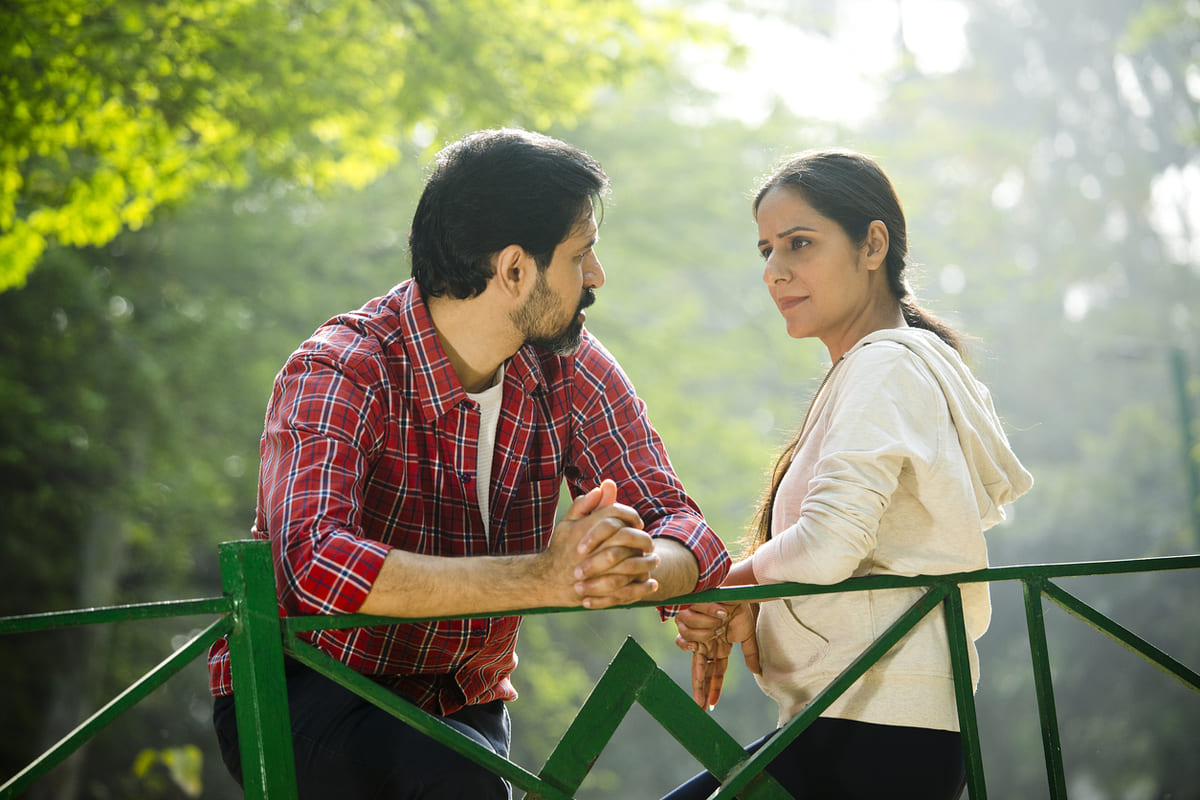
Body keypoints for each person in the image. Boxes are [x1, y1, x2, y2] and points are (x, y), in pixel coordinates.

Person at [207, 128, 731, 799]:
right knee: (459, 779)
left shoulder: (569, 368)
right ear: (514, 270)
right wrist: (544, 577)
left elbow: (684, 525)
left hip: (464, 707)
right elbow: (317, 567)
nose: (597, 276)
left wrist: (628, 565)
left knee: (464, 772)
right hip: (307, 691)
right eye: (582, 255)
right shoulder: (343, 366)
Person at [667, 149, 1033, 800]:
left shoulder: (885, 367)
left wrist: (737, 581)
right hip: (852, 722)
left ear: (873, 245)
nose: (775, 272)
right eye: (766, 251)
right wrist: (751, 597)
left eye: (799, 244)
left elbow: (830, 544)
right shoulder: (881, 367)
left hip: (878, 734)